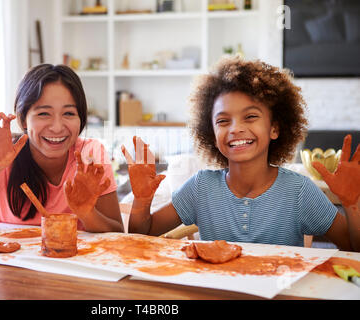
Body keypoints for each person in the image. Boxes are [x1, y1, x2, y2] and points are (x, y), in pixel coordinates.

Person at [122, 56, 360, 252]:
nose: (235, 128)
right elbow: (141, 234)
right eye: (223, 121)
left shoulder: (299, 191)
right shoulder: (200, 187)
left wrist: (352, 204)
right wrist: (142, 201)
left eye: (250, 116)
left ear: (275, 128)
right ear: (212, 133)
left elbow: (353, 249)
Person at [0, 64, 123, 236]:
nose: (57, 127)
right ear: (23, 119)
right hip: (7, 275)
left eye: (69, 113)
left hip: (69, 278)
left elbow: (117, 233)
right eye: (44, 113)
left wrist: (87, 213)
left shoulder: (90, 155)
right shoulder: (1, 153)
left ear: (81, 118)